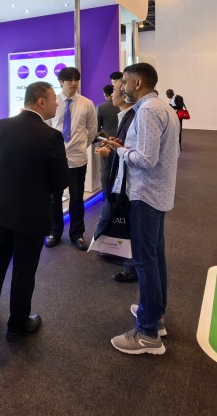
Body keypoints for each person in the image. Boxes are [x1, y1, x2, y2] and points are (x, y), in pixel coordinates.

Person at [0, 81, 69, 342]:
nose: (57, 103)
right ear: (41, 102)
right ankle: (17, 325)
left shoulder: (1, 125)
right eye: (53, 99)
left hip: (2, 208)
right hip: (31, 214)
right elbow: (60, 181)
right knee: (23, 269)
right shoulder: (50, 136)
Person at [103, 63, 179, 355]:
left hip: (145, 195)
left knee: (146, 261)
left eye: (124, 81)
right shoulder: (162, 107)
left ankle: (147, 334)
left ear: (137, 83)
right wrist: (125, 145)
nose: (120, 87)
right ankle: (154, 315)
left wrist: (120, 150)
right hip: (156, 194)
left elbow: (146, 160)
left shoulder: (147, 111)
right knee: (155, 258)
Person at [45, 67, 98, 251]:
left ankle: (77, 234)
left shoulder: (87, 103)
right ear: (61, 82)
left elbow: (92, 130)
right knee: (54, 198)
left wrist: (81, 146)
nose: (74, 83)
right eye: (69, 80)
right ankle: (54, 231)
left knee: (76, 198)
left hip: (77, 159)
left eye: (76, 79)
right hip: (55, 159)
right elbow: (46, 127)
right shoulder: (52, 102)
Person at [93, 75, 137, 282]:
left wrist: (111, 152)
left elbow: (138, 156)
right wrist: (114, 145)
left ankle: (131, 264)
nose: (112, 94)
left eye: (116, 88)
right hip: (122, 176)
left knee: (129, 218)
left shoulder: (135, 116)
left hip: (132, 183)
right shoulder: (125, 115)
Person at [96, 82, 119, 191]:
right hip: (121, 141)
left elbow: (96, 128)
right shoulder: (122, 105)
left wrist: (101, 138)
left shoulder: (101, 107)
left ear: (105, 94)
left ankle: (106, 194)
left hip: (106, 141)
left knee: (106, 169)